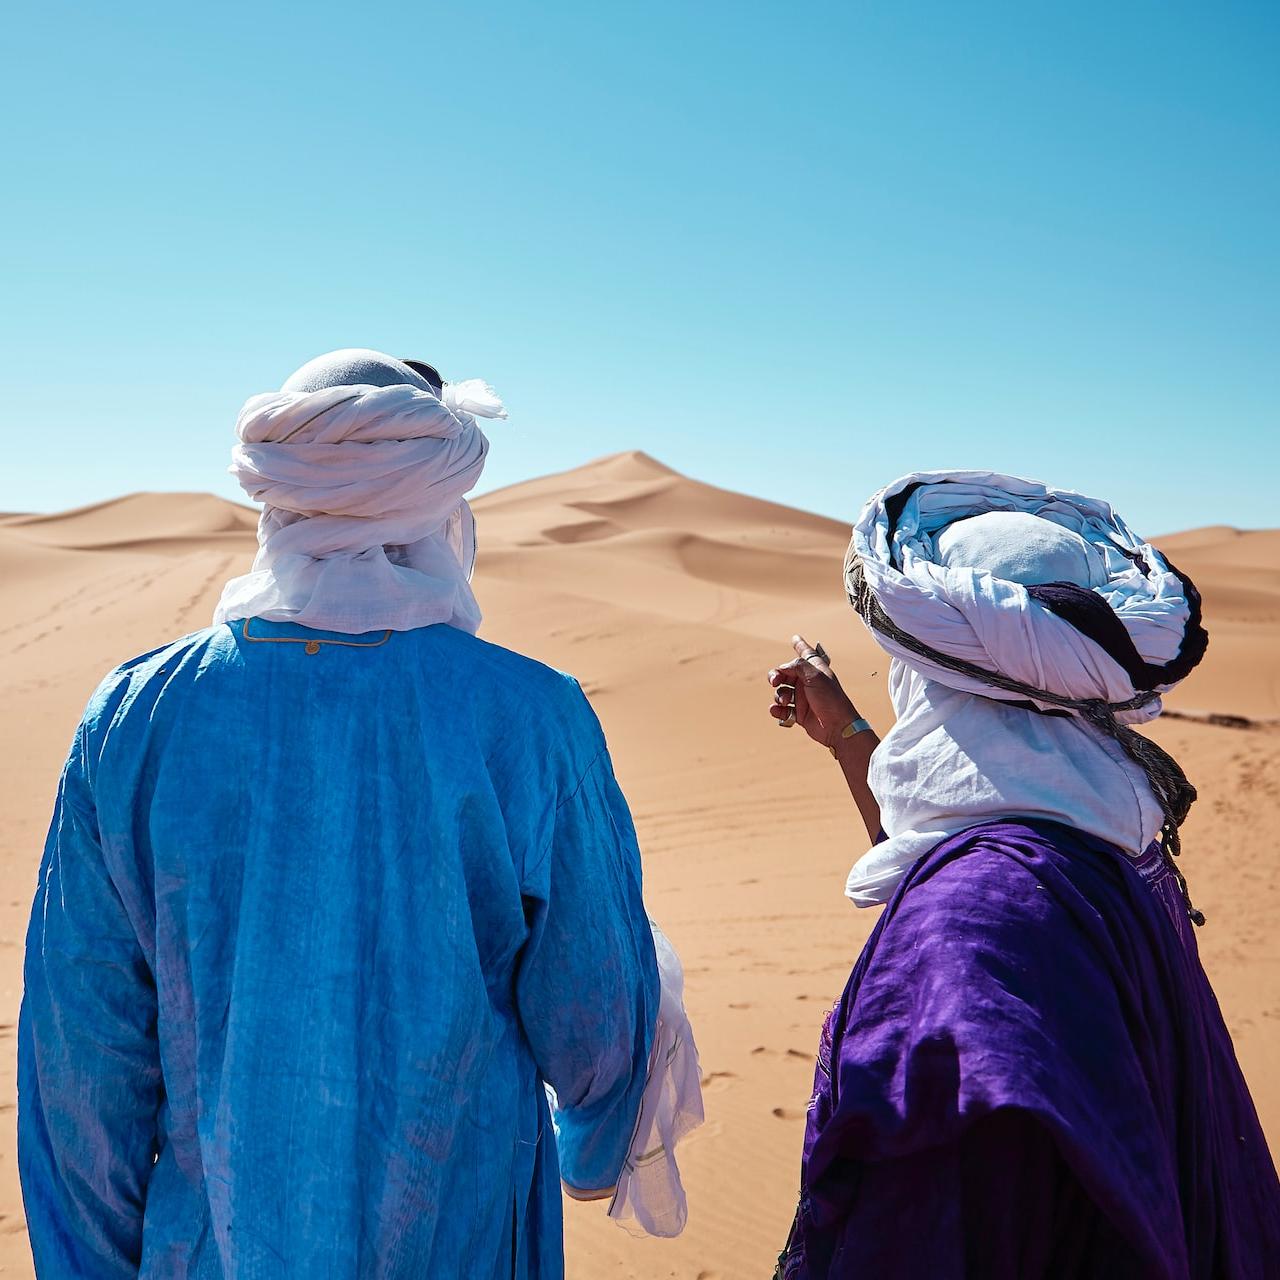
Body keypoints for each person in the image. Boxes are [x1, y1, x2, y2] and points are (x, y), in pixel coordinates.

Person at [17, 349, 700, 1279]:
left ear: (279, 498)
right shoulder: (530, 716)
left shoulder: (137, 715)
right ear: (440, 505)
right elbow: (598, 1017)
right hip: (454, 1243)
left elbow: (81, 1069)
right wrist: (594, 1139)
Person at [767, 471, 1280, 1278]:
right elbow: (970, 848)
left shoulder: (973, 925)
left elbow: (937, 1225)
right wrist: (849, 739)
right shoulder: (1112, 843)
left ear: (933, 673)